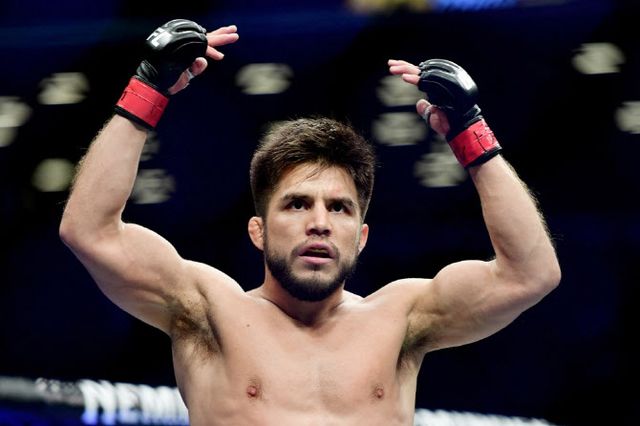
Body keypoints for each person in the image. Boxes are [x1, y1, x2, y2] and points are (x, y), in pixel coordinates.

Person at [59, 18, 561, 426]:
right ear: (258, 230)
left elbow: (530, 274)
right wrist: (147, 87)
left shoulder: (401, 320)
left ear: (361, 237)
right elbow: (90, 232)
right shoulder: (210, 312)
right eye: (297, 204)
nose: (319, 223)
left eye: (339, 208)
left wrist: (471, 132)